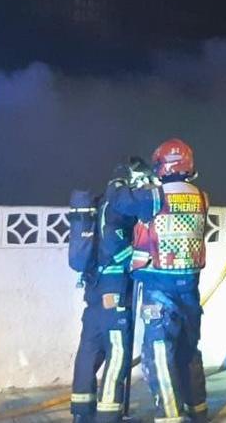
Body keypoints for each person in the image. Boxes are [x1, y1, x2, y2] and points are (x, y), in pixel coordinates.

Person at [122, 138, 209, 423]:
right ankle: (198, 410)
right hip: (189, 287)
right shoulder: (202, 197)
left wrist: (127, 181)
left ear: (162, 165)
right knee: (188, 350)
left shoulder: (154, 196)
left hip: (159, 287)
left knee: (159, 353)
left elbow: (123, 204)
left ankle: (171, 417)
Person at [66, 159, 152, 423]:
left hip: (94, 290)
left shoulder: (102, 203)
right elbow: (116, 248)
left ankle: (82, 412)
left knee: (89, 350)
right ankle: (108, 413)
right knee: (117, 354)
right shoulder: (119, 208)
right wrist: (141, 257)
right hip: (114, 292)